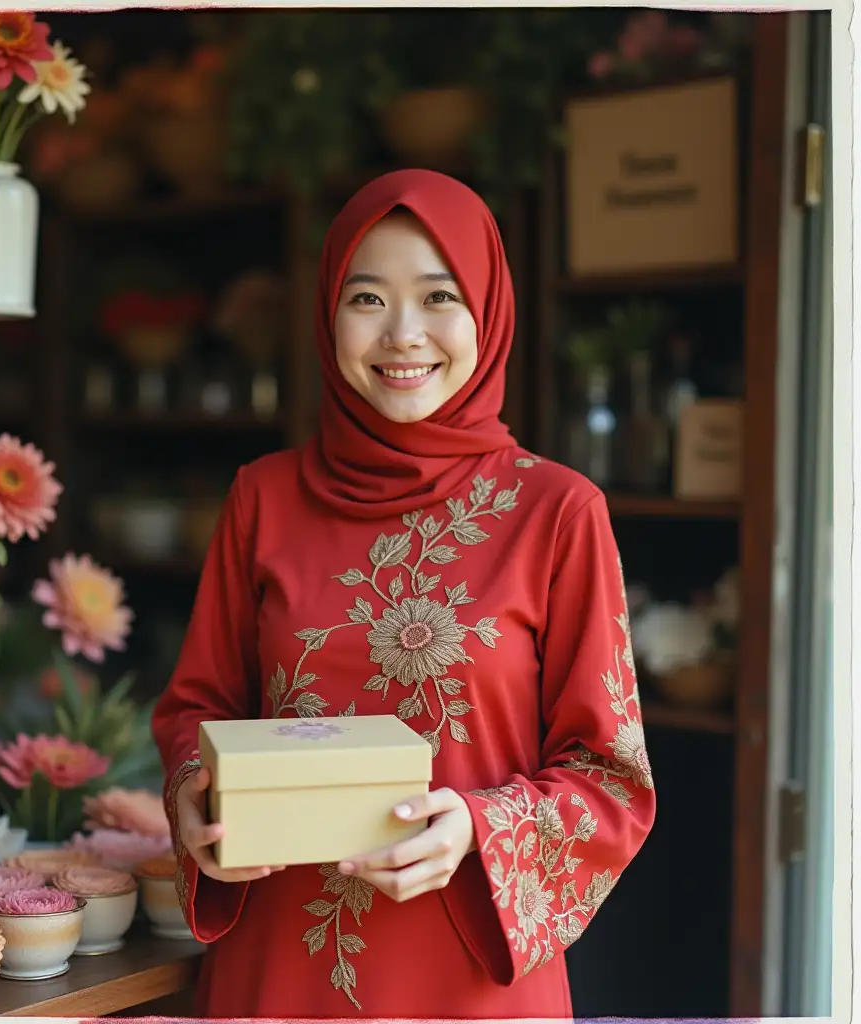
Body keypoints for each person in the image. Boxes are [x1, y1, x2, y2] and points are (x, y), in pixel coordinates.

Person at [151, 169, 656, 1018]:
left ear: (487, 313)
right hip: (282, 967)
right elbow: (196, 708)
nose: (404, 334)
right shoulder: (263, 499)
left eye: (438, 296)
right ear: (327, 314)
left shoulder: (558, 512)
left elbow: (611, 780)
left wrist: (477, 827)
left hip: (469, 972)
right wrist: (196, 800)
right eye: (368, 299)